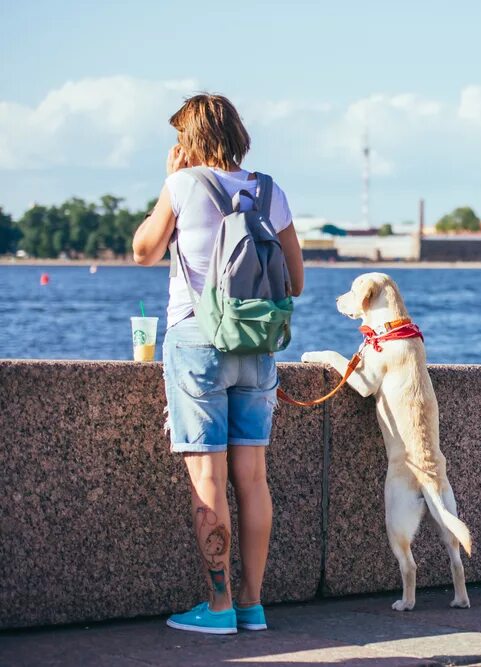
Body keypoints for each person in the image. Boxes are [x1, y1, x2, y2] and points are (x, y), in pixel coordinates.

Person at [132, 93, 304, 633]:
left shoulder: (182, 184)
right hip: (257, 347)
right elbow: (295, 282)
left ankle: (220, 605)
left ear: (190, 141)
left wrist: (170, 178)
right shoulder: (268, 191)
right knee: (253, 478)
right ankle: (252, 605)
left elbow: (143, 250)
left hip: (198, 341)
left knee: (208, 477)